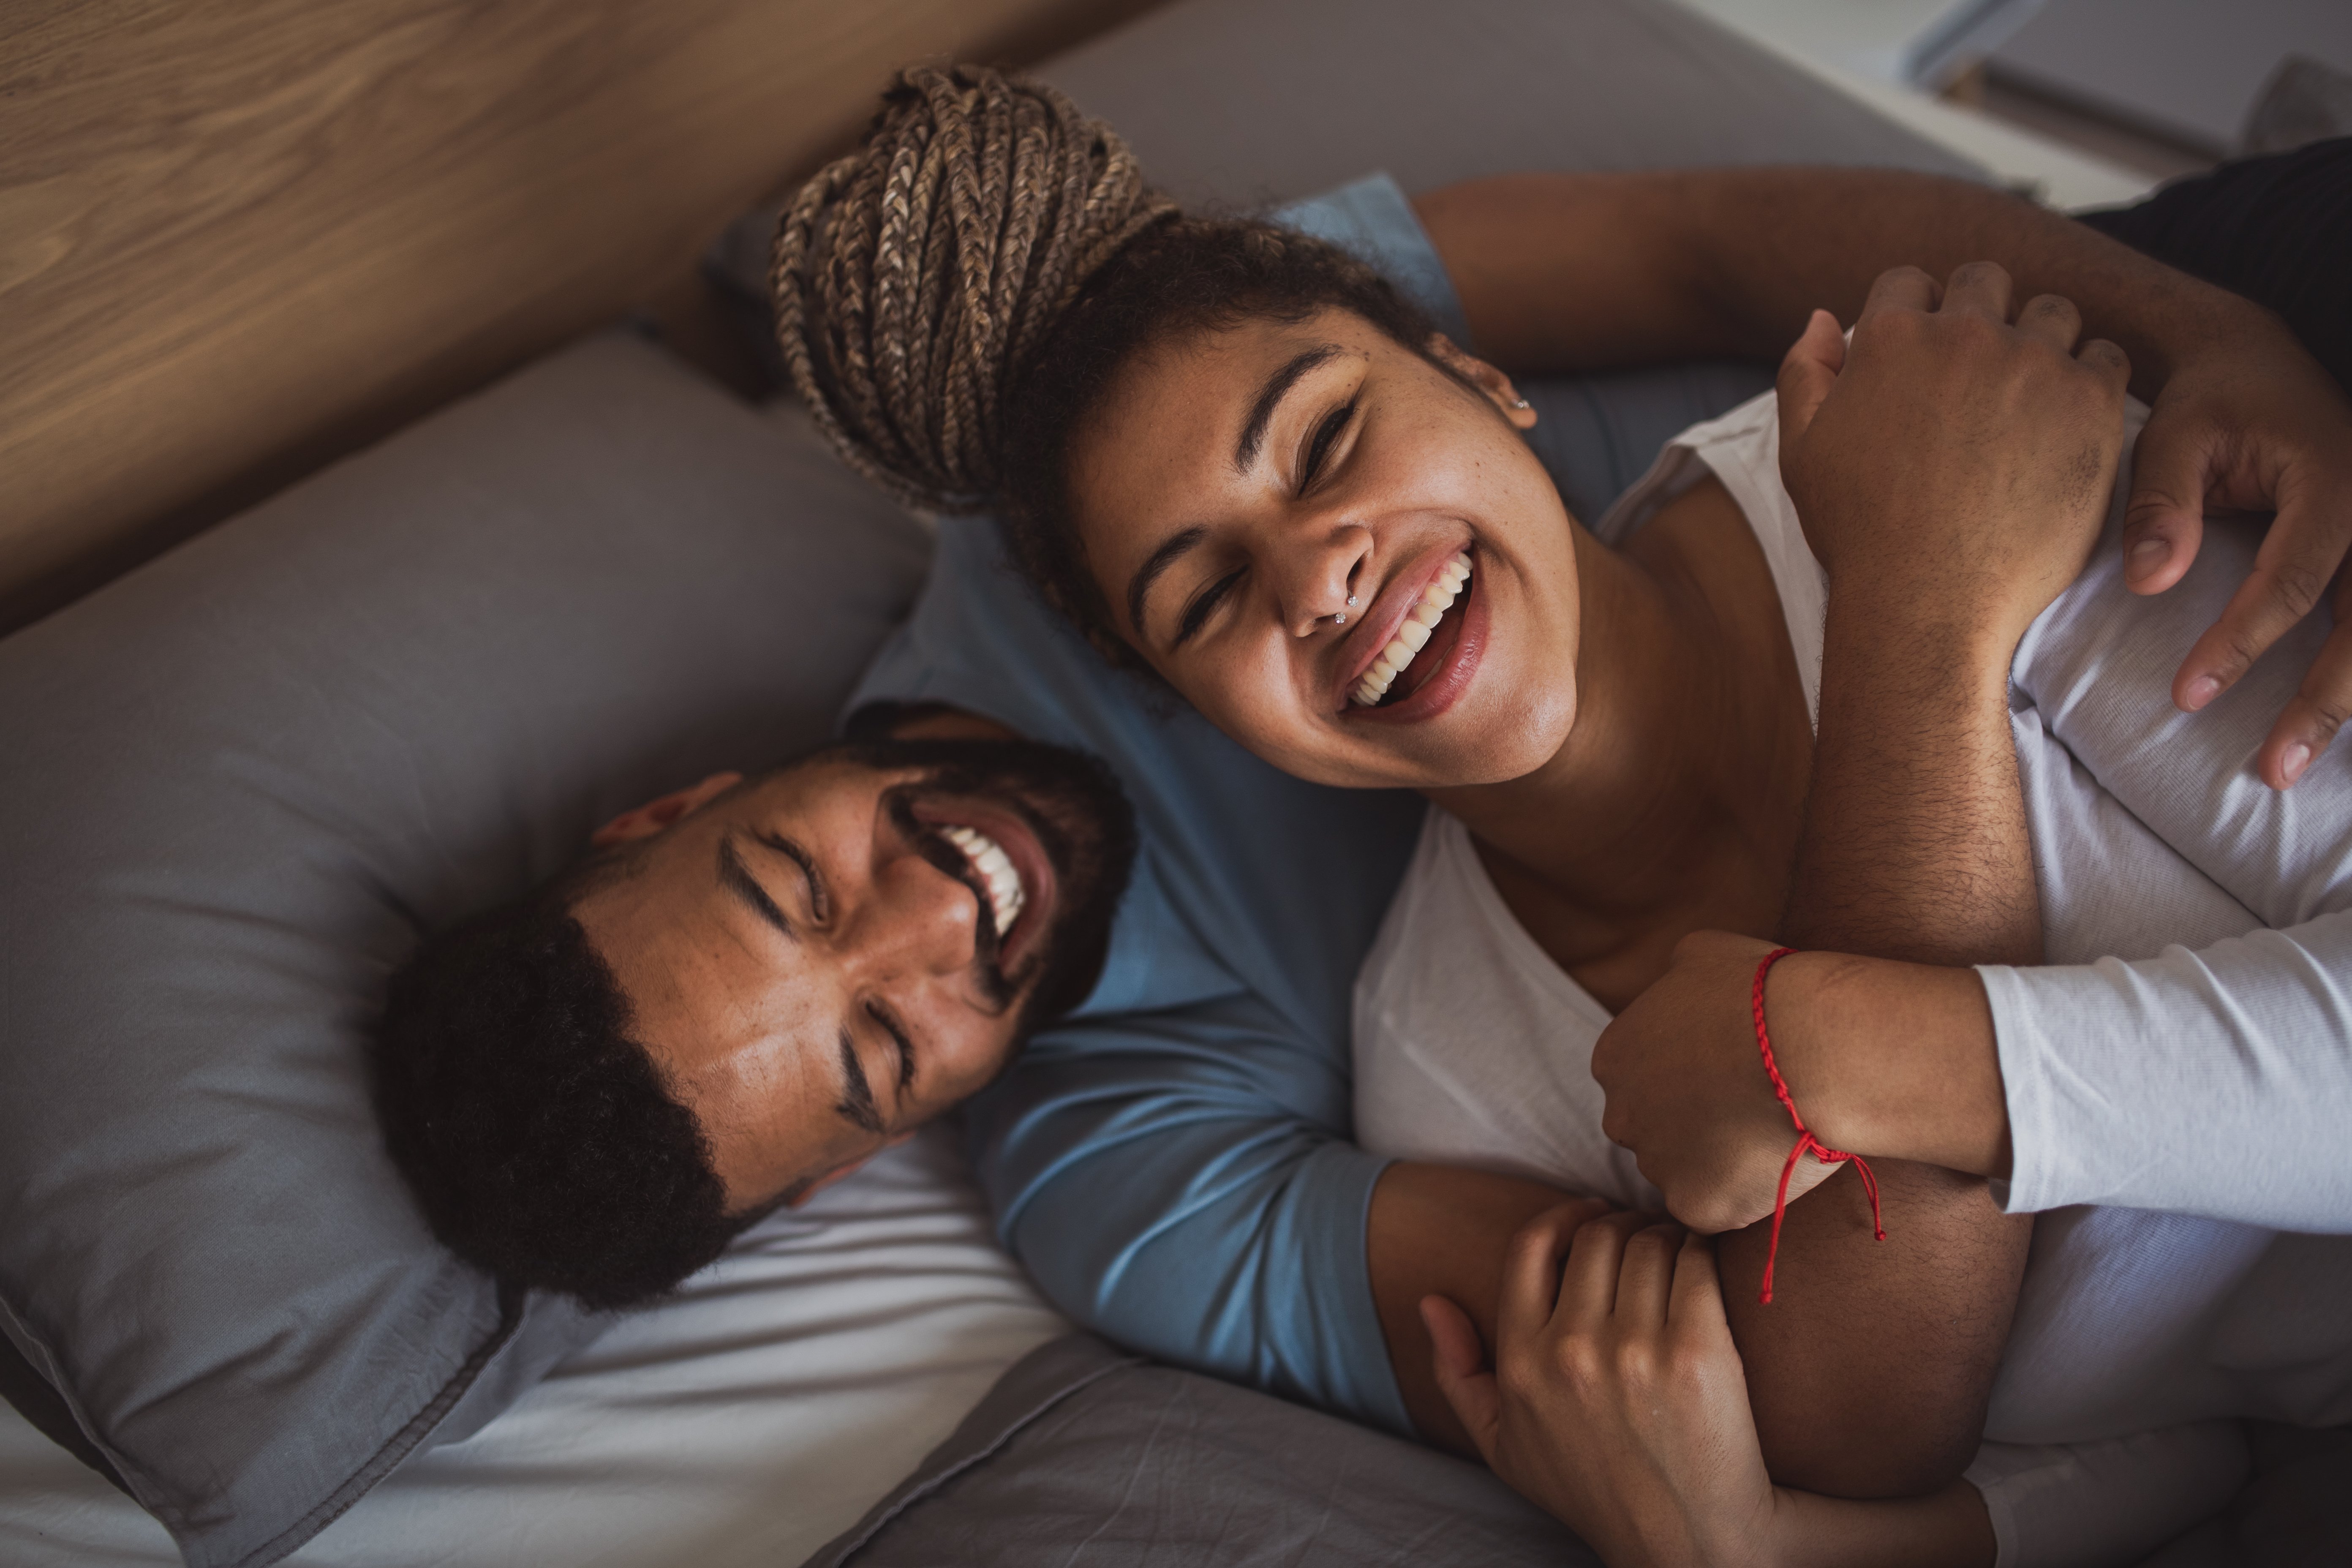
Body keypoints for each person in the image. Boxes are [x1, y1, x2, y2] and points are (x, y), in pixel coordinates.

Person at [770, 67, 2352, 1561]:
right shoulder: (1446, 1082)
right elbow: (2064, 1434)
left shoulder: (1928, 478)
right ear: (1204, 715)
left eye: (1326, 440)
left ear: (1481, 378)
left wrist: (1910, 691)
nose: (1313, 571)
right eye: (1207, 596)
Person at [368, 722, 1135, 1309]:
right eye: (891, 1044)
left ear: (675, 808)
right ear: (864, 1157)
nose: (947, 911)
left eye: (802, 882)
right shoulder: (1151, 1162)